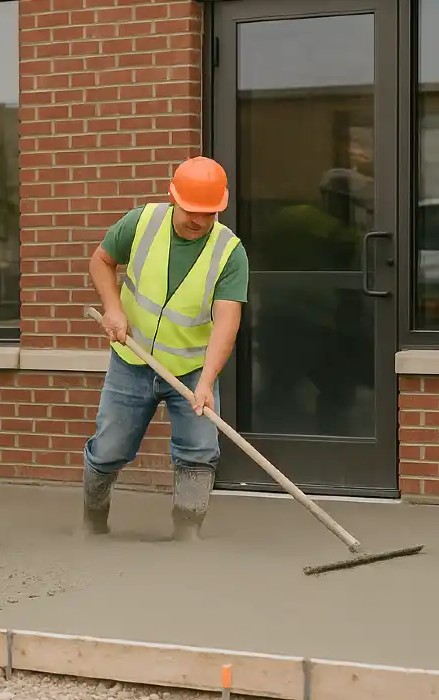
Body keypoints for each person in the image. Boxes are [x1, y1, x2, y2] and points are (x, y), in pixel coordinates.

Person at [83, 156, 249, 541]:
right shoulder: (142, 222)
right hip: (132, 359)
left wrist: (206, 382)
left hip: (190, 369)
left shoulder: (229, 252)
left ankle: (186, 534)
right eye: (192, 211)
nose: (200, 222)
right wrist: (113, 308)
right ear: (174, 198)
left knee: (199, 449)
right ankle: (92, 523)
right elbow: (101, 261)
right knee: (109, 448)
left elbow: (227, 322)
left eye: (209, 214)